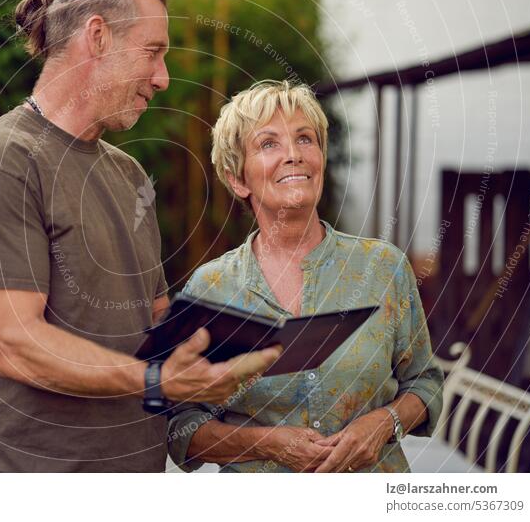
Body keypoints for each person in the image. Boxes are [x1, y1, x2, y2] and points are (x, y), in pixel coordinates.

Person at [0, 0, 280, 473]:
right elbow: (16, 345)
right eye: (153, 52)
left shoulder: (128, 173)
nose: (163, 78)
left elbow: (155, 317)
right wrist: (155, 380)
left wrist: (239, 342)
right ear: (97, 36)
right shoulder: (2, 161)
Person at [167, 80, 444, 473]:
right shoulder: (209, 290)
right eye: (268, 144)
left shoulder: (384, 268)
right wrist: (266, 443)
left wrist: (383, 423)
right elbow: (182, 426)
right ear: (238, 179)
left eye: (305, 139)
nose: (294, 155)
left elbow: (425, 382)